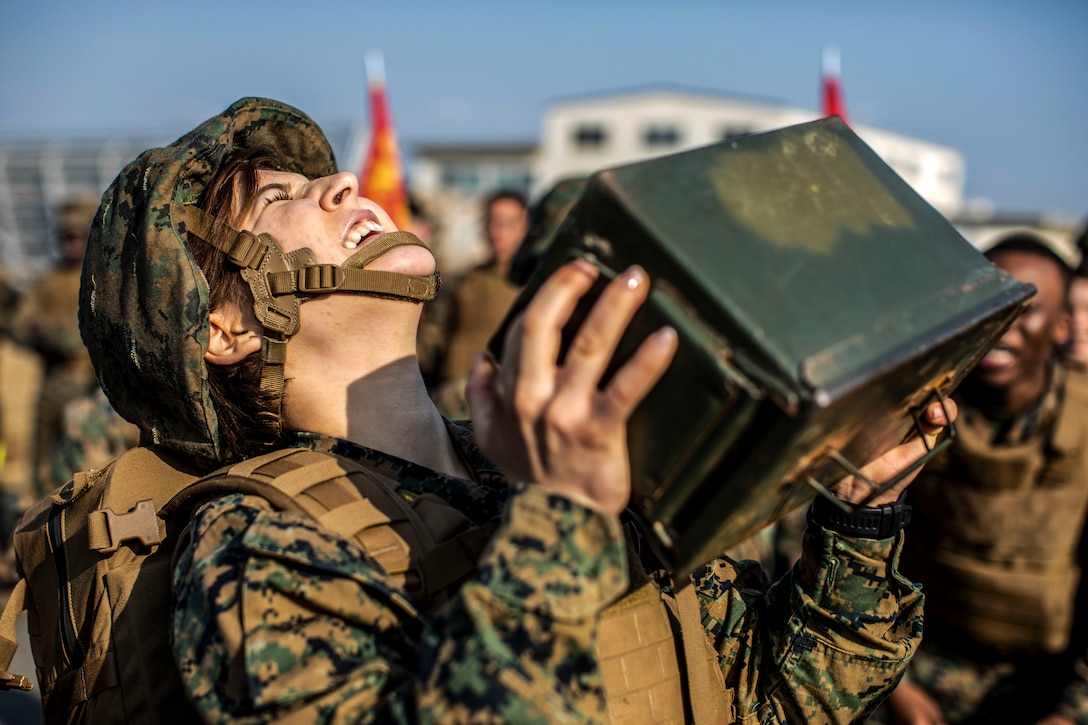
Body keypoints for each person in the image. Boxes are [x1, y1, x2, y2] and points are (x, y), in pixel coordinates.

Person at [14, 97, 954, 723]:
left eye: (324, 176)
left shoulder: (539, 459)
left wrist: (857, 515)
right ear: (220, 326)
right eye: (284, 199)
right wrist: (563, 520)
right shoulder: (259, 543)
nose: (345, 185)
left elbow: (762, 699)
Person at [881, 232, 1088, 724]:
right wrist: (895, 686)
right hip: (913, 665)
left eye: (1025, 309)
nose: (1003, 328)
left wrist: (1072, 713)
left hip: (1046, 683)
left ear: (1061, 328)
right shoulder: (913, 410)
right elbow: (838, 547)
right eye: (989, 306)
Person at [9, 195, 100, 495]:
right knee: (44, 476)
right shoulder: (49, 280)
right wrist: (50, 331)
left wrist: (51, 331)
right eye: (66, 236)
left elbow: (74, 338)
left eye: (78, 236)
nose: (71, 243)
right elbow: (21, 324)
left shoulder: (100, 277)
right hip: (52, 392)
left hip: (92, 391)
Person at [417, 188, 528, 391]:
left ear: (524, 227)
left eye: (508, 223)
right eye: (492, 221)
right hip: (454, 396)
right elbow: (432, 341)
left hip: (507, 396)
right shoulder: (462, 283)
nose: (498, 231)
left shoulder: (533, 285)